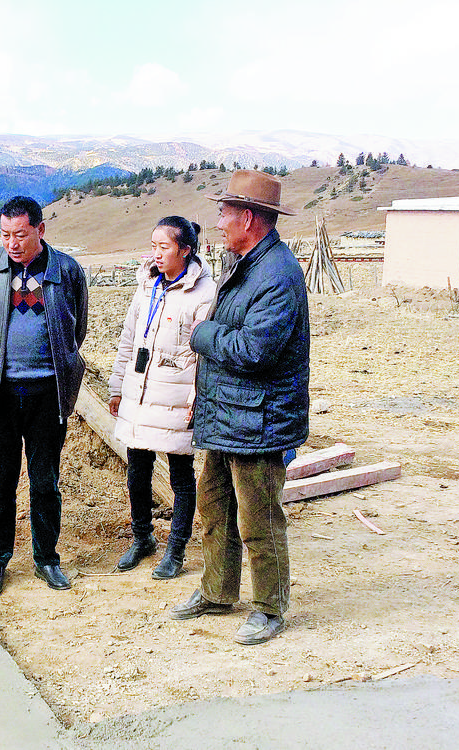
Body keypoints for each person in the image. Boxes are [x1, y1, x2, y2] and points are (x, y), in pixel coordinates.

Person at [170, 170, 309, 645]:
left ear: (248, 218)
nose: (218, 222)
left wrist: (203, 334)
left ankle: (269, 607)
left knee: (258, 519)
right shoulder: (246, 263)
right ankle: (217, 591)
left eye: (224, 213)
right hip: (231, 413)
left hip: (260, 419)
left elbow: (254, 350)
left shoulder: (277, 275)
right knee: (215, 507)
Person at [0, 195, 88, 595]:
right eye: (5, 235)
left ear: (40, 229)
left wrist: (57, 365)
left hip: (48, 393)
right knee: (0, 483)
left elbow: (77, 330)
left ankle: (46, 559)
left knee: (45, 482)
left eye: (20, 234)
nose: (12, 243)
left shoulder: (66, 270)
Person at [108, 216, 216, 578]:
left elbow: (204, 355)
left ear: (185, 250)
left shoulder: (204, 293)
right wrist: (117, 387)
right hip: (139, 392)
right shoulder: (146, 286)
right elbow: (129, 340)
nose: (156, 253)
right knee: (137, 471)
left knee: (181, 475)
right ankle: (142, 538)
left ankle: (176, 549)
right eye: (153, 246)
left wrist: (198, 400)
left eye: (164, 247)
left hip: (177, 396)